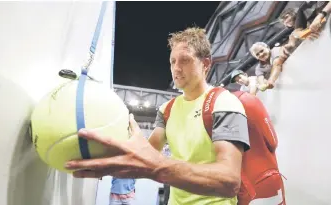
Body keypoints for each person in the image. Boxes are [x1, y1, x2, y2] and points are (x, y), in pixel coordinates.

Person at [64, 27, 250, 205]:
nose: (176, 68)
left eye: (185, 60)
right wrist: (101, 151)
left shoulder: (224, 102)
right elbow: (147, 152)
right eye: (172, 61)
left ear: (206, 63)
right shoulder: (167, 109)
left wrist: (157, 167)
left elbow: (229, 181)